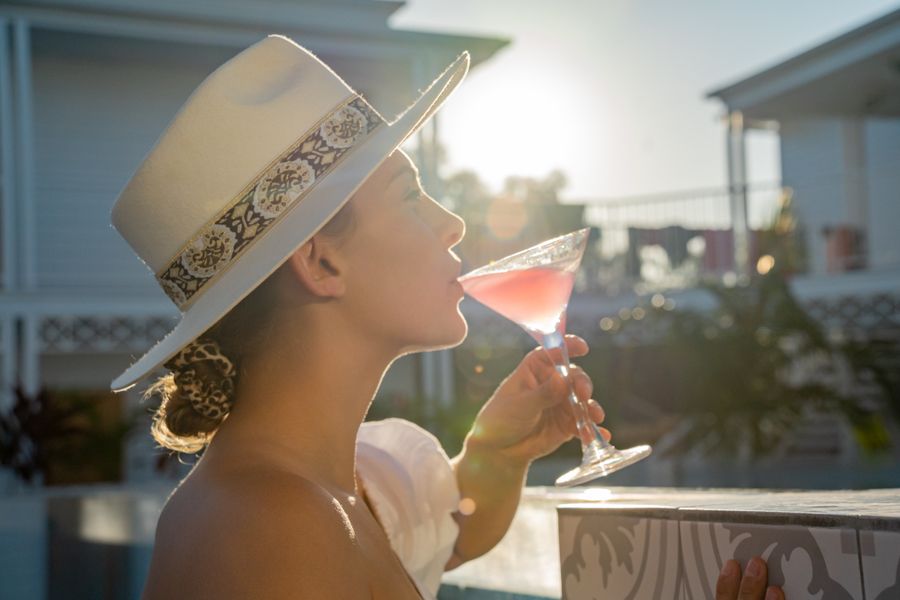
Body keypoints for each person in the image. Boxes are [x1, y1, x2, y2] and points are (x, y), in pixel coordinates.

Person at [110, 35, 784, 599]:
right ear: (322, 265)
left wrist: (496, 453)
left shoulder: (332, 488)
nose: (453, 221)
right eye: (411, 196)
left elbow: (445, 530)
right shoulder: (272, 530)